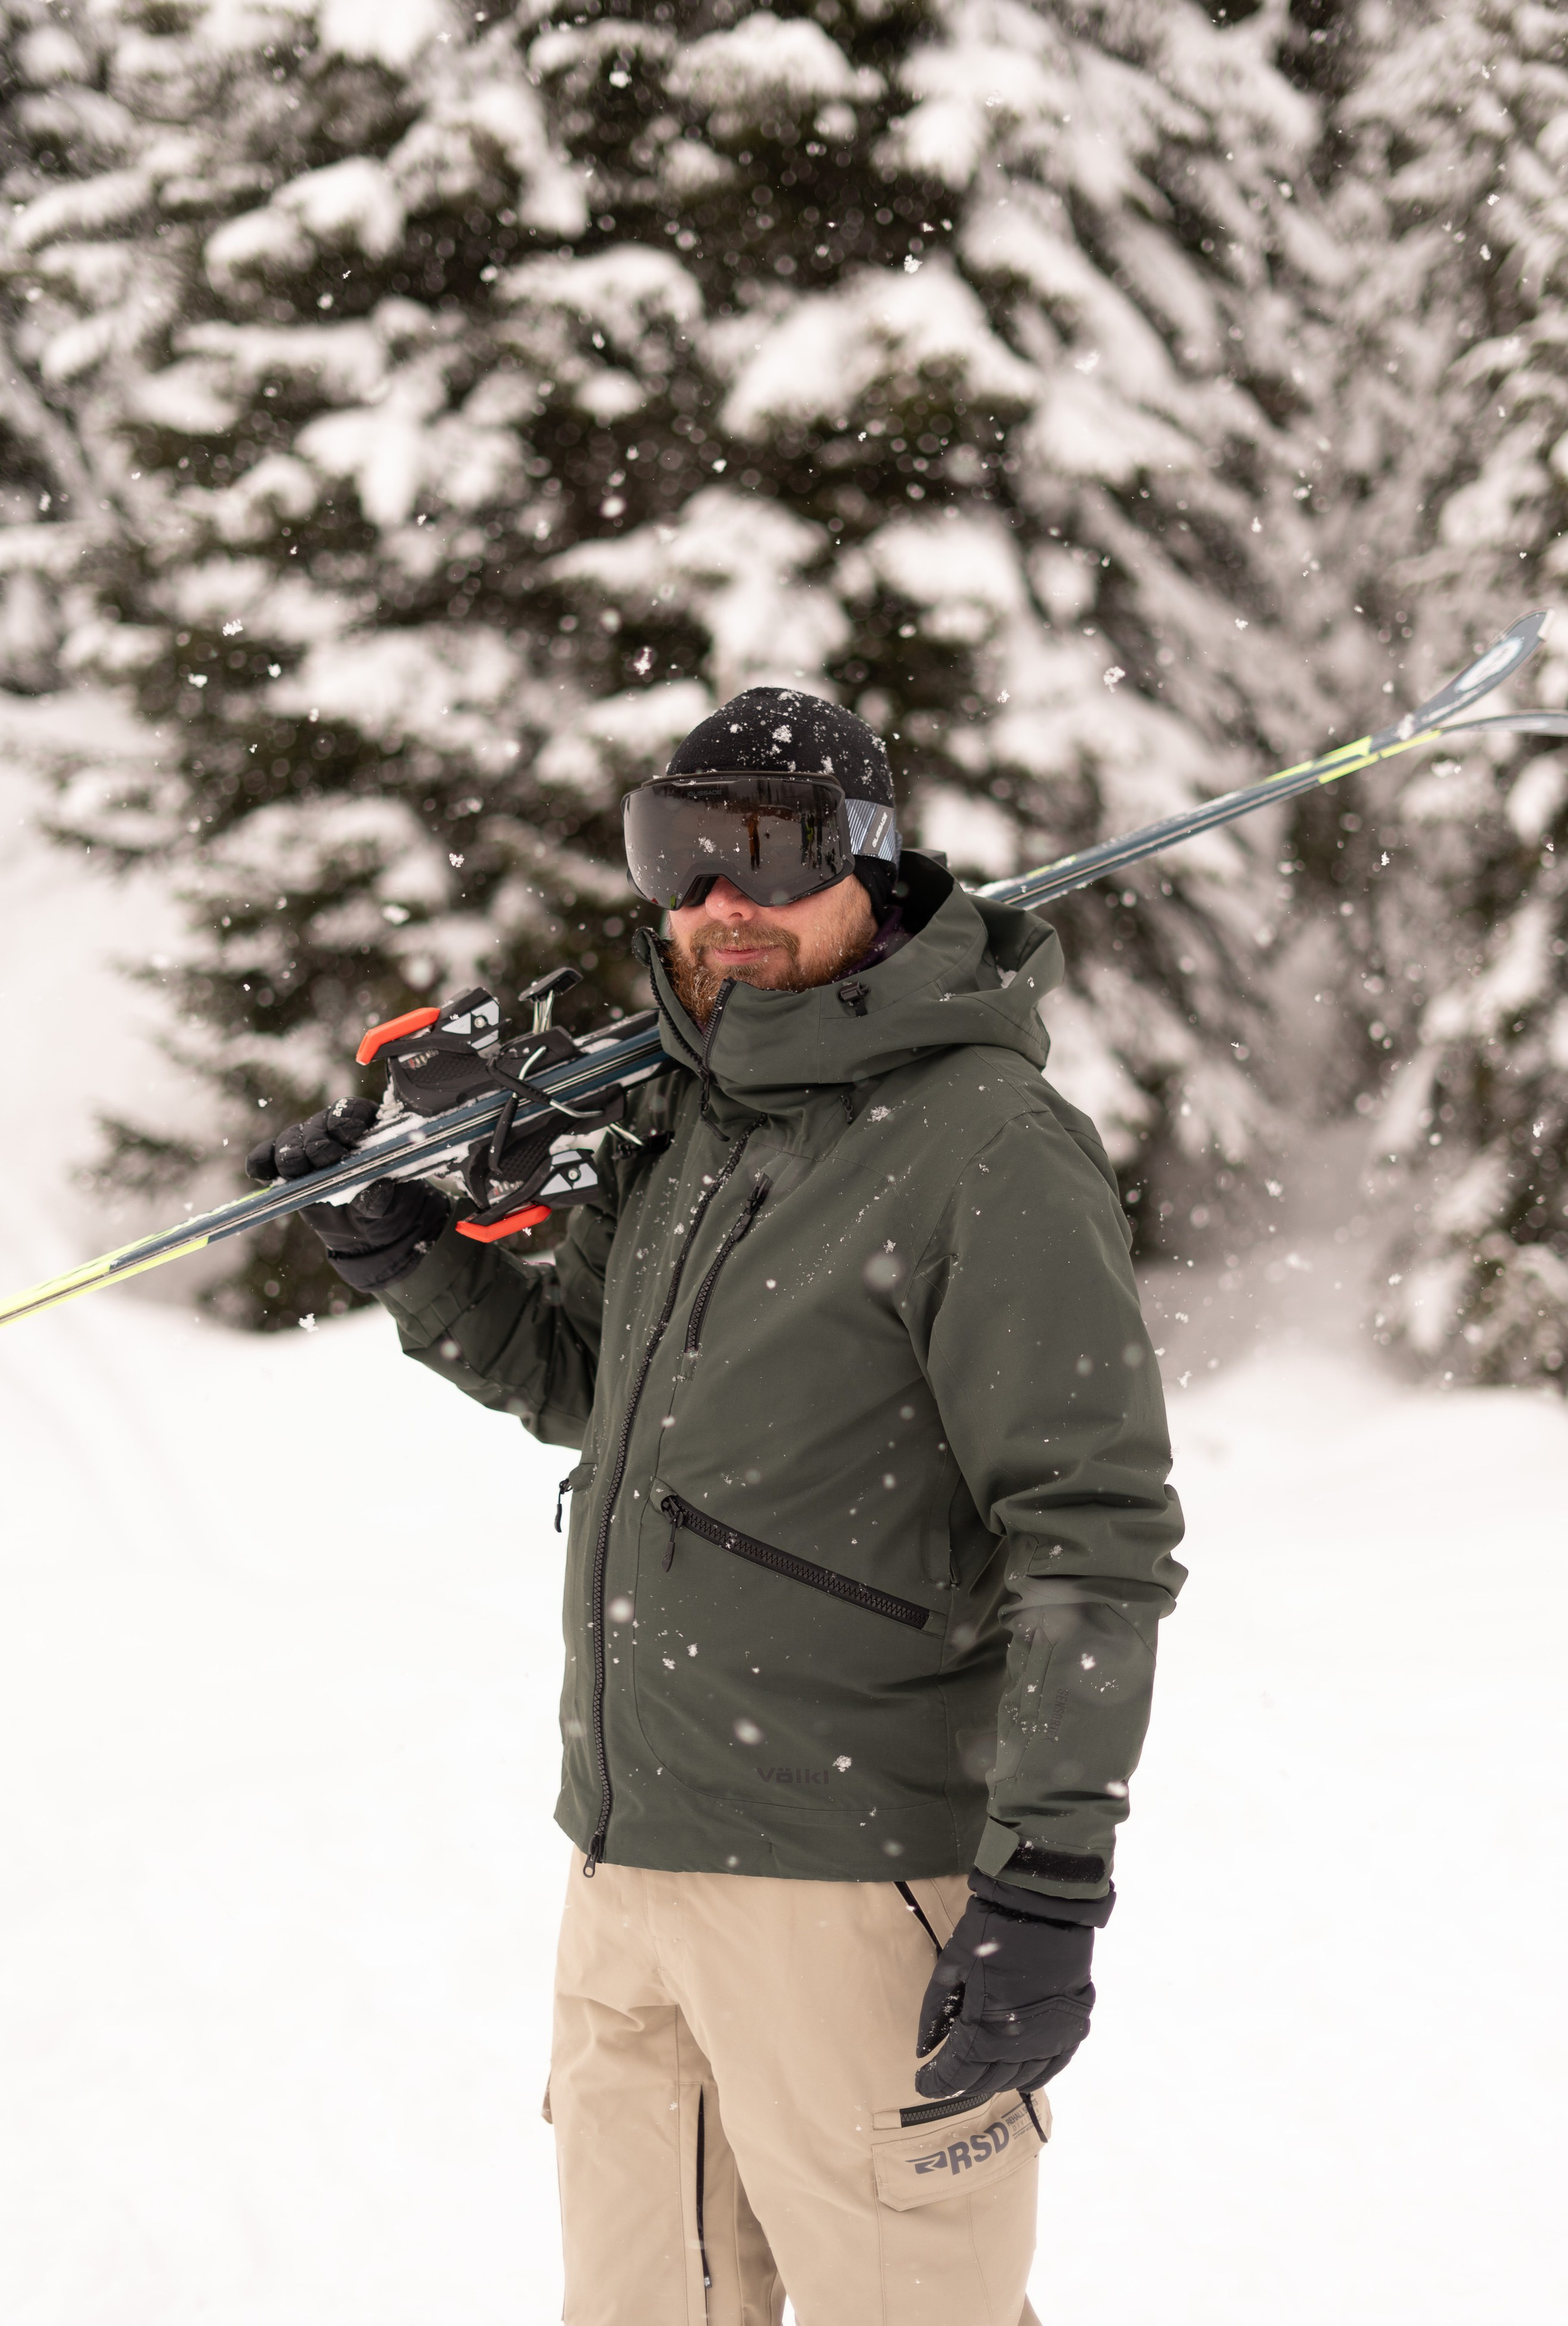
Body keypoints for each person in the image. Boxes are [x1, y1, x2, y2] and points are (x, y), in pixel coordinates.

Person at [251, 686, 1186, 2326]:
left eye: (762, 852)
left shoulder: (985, 1146)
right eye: (675, 857)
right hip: (631, 1865)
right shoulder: (685, 1124)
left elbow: (1090, 1535)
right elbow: (593, 1395)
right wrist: (405, 1265)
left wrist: (1049, 1878)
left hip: (851, 1882)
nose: (714, 904)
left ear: (869, 865)